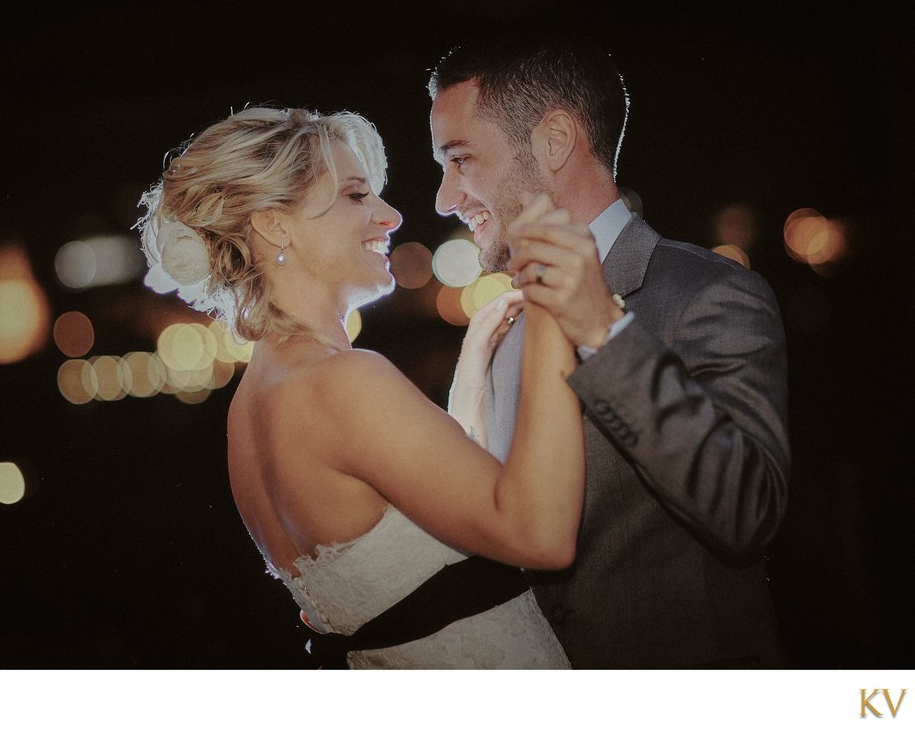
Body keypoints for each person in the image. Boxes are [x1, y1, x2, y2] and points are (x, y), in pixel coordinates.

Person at [137, 105, 585, 668]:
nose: (391, 216)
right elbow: (539, 534)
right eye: (355, 196)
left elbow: (410, 556)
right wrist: (551, 306)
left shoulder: (253, 405)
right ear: (275, 224)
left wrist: (470, 373)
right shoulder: (343, 381)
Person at [428, 36, 791, 668]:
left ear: (554, 141)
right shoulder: (505, 326)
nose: (444, 197)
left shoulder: (708, 293)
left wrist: (606, 332)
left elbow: (746, 512)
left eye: (460, 159)